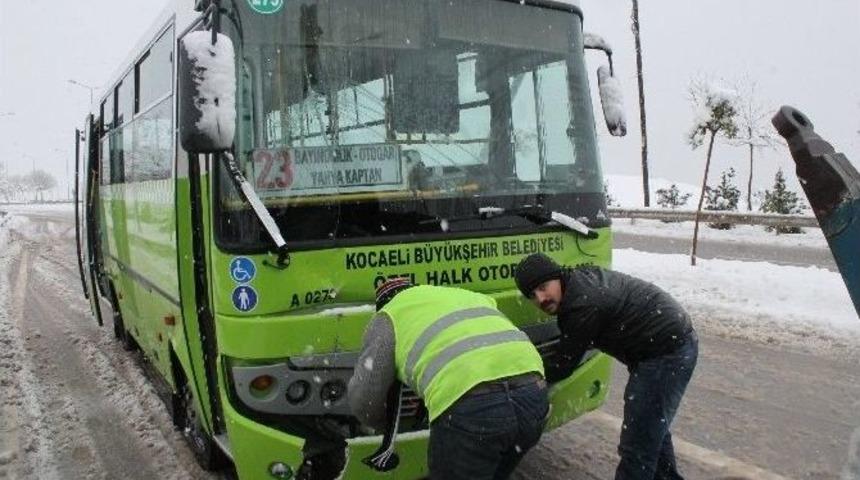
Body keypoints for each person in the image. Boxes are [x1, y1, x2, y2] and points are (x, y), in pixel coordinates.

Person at [514, 253, 698, 480]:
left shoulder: (583, 305)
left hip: (666, 351)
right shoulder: (577, 285)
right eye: (532, 295)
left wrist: (520, 378)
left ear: (557, 277)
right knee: (651, 429)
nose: (541, 298)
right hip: (662, 345)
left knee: (638, 445)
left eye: (543, 287)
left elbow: (562, 364)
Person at [348, 278, 550, 480]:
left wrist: (387, 426)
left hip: (473, 408)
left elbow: (364, 400)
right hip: (534, 395)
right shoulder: (467, 296)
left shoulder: (389, 315)